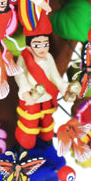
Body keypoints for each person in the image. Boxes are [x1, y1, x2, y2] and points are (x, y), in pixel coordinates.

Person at [14, 14, 80, 150]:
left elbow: (55, 77)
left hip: (48, 96)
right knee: (29, 122)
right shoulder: (24, 57)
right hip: (31, 96)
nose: (42, 48)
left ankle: (47, 138)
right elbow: (19, 75)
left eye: (45, 44)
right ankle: (25, 145)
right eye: (37, 45)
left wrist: (65, 89)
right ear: (29, 45)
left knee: (47, 120)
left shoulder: (48, 57)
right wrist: (24, 91)